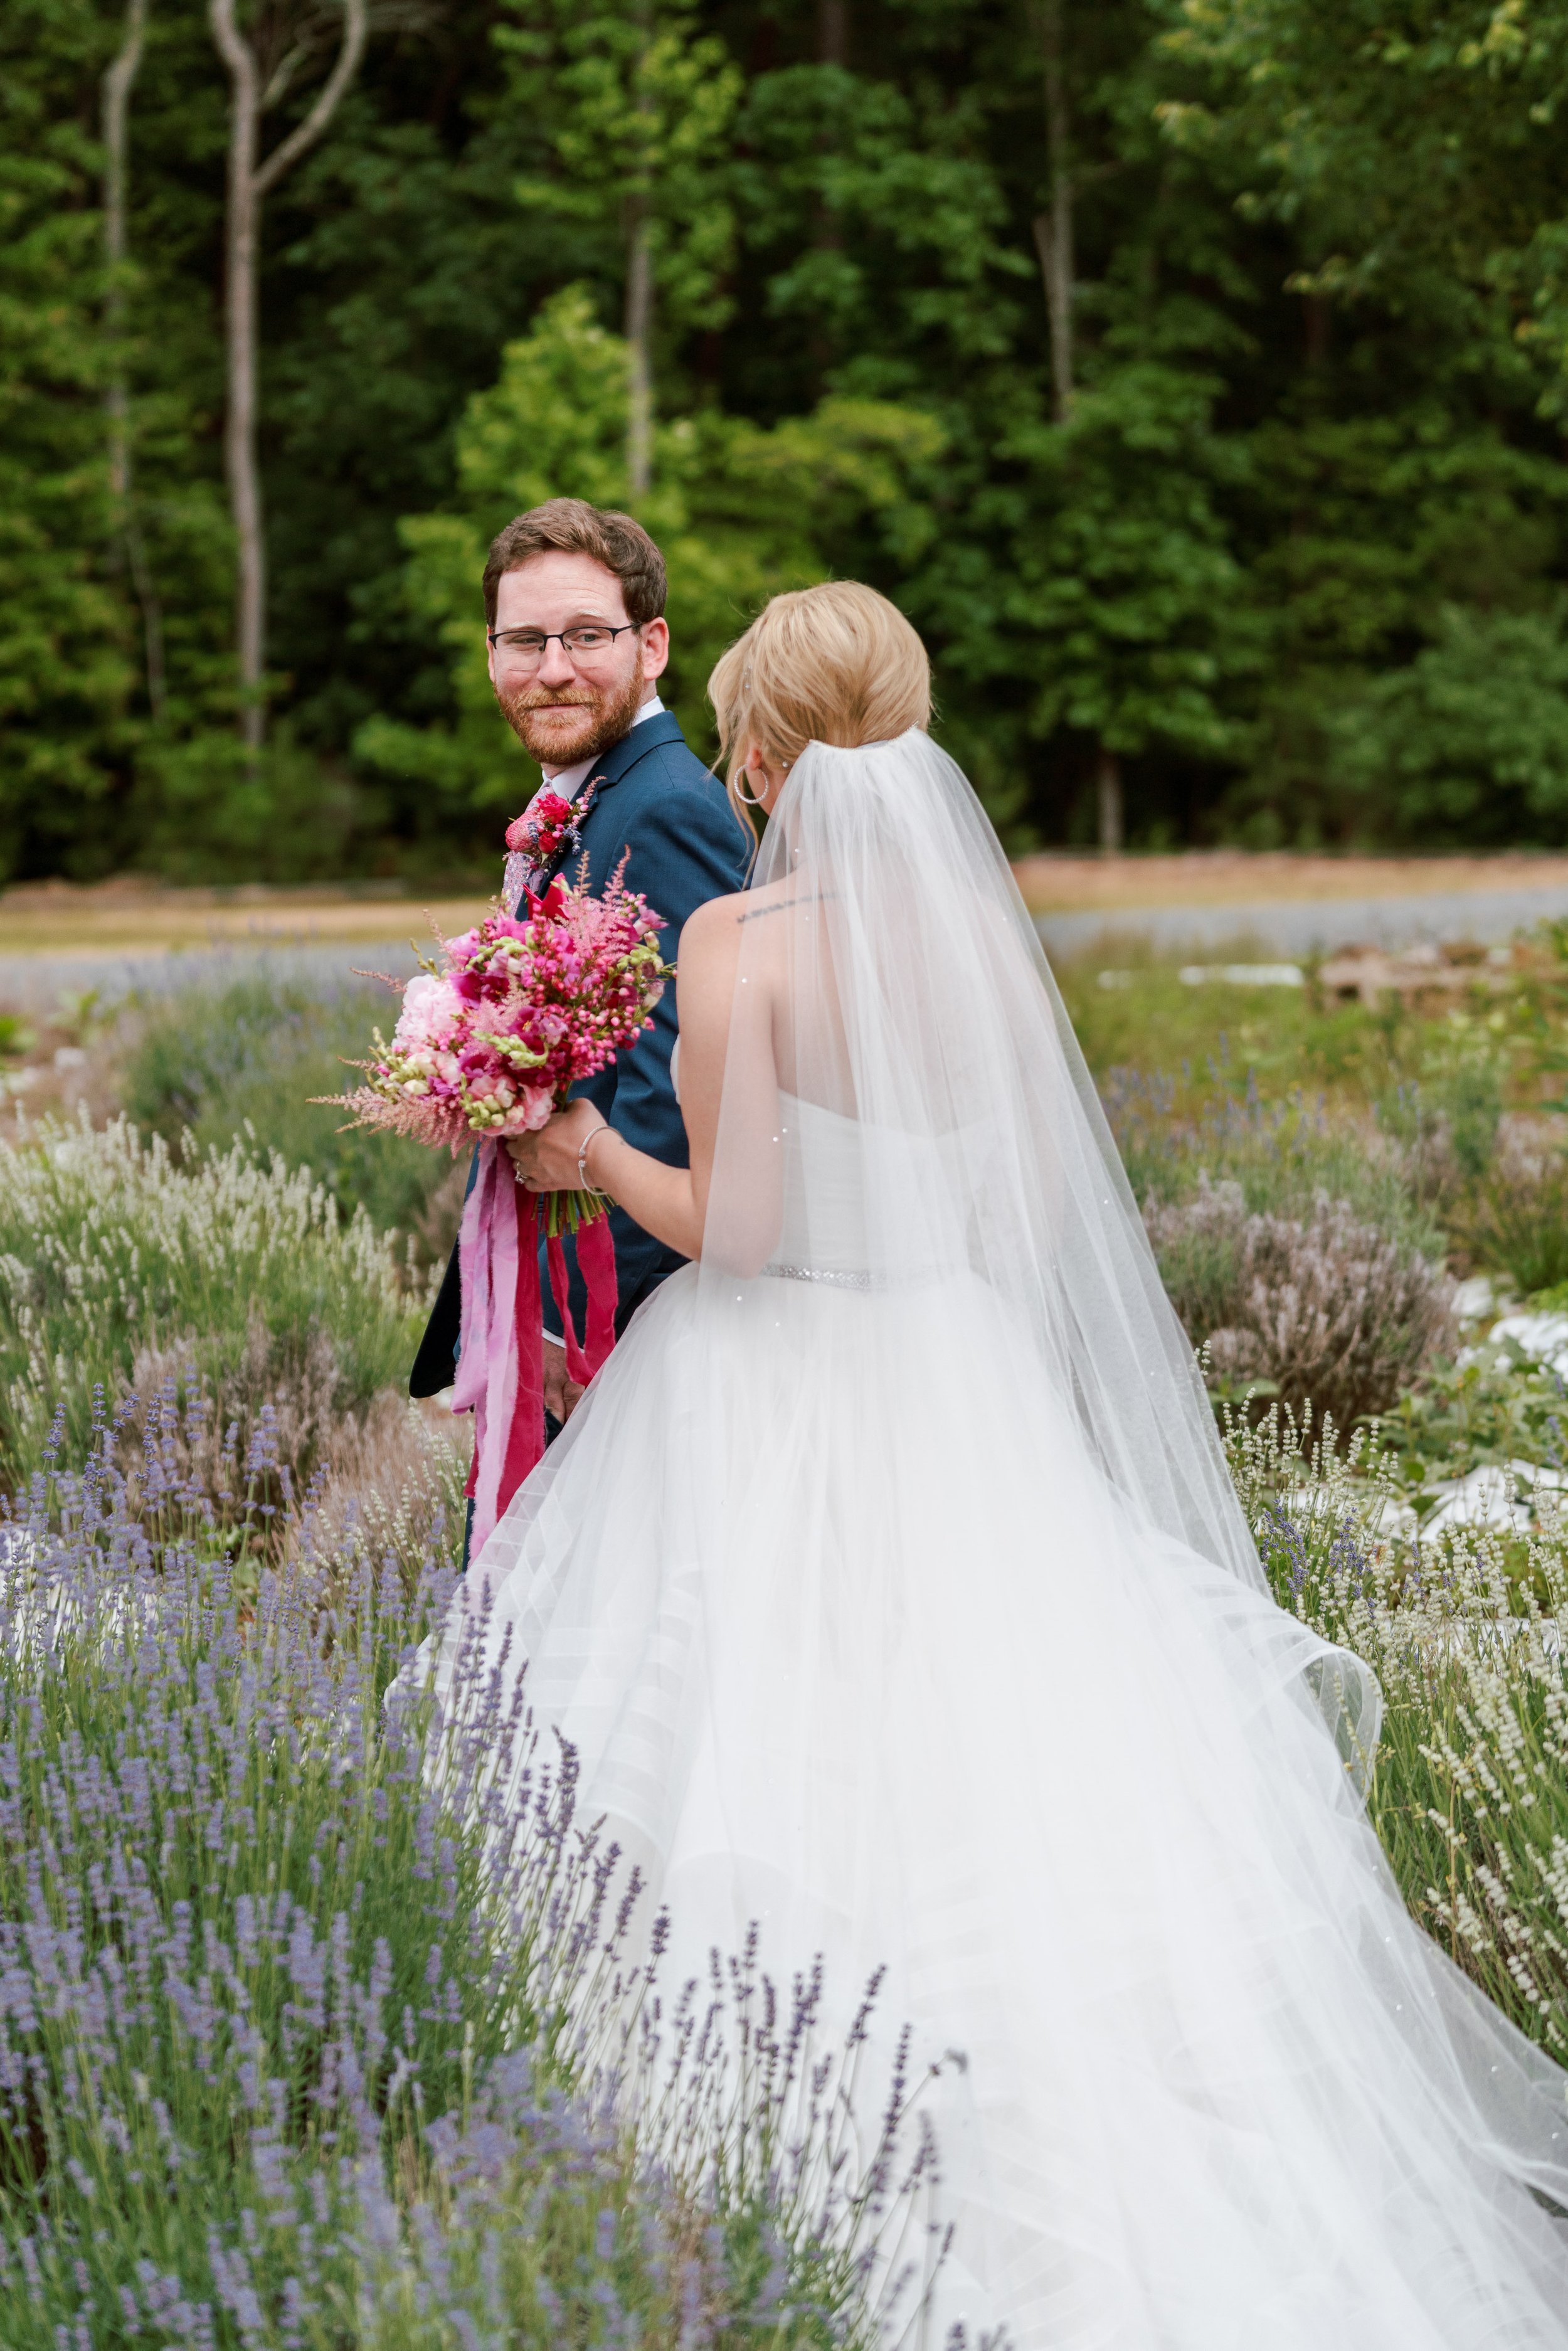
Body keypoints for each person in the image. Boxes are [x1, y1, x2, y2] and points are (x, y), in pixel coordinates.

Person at [423, 582, 1568, 2343]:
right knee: (1016, 1770)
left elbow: (730, 1229)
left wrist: (580, 1145)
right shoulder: (975, 932)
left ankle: (739, 2187)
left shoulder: (743, 944)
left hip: (768, 1386)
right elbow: (1027, 1215)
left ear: (759, 740)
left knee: (751, 1753)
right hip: (958, 1374)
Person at [408, 497, 752, 1433]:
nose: (552, 669)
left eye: (587, 635)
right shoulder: (589, 796)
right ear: (490, 654)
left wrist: (573, 1319)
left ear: (653, 646)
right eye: (525, 640)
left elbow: (675, 1094)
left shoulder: (666, 809)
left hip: (624, 1329)